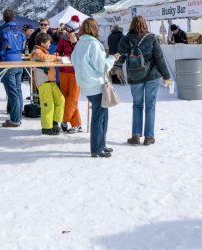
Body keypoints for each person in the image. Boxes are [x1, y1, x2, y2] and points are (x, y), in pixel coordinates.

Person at [115, 15, 171, 146]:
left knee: (137, 105)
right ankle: (149, 137)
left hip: (135, 77)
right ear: (145, 24)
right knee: (150, 105)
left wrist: (115, 68)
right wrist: (166, 76)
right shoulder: (152, 38)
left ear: (131, 25)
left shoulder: (125, 39)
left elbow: (120, 58)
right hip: (152, 76)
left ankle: (135, 135)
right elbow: (159, 58)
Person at [71, 18, 118, 158]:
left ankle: (101, 144)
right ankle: (97, 148)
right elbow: (101, 66)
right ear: (94, 28)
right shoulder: (93, 44)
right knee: (99, 117)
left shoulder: (79, 44)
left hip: (87, 84)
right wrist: (112, 59)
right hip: (96, 84)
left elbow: (74, 60)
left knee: (103, 115)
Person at [0, 8, 27, 128]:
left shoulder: (3, 32)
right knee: (18, 91)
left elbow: (0, 50)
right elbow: (23, 47)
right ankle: (17, 117)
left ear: (3, 18)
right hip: (19, 62)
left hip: (7, 63)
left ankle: (15, 119)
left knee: (12, 93)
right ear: (14, 18)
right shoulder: (20, 32)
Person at [29, 33, 65, 135]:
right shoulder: (37, 51)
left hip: (51, 80)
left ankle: (54, 122)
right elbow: (44, 58)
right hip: (43, 81)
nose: (50, 44)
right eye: (48, 42)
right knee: (48, 104)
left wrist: (55, 57)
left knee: (60, 100)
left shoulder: (45, 52)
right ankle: (46, 127)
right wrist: (56, 57)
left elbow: (48, 57)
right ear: (42, 43)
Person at [56, 19, 82, 132]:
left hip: (76, 72)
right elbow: (58, 51)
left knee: (73, 98)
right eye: (66, 29)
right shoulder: (63, 39)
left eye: (69, 30)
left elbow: (82, 54)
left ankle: (65, 120)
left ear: (75, 31)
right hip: (63, 70)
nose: (67, 32)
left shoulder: (81, 39)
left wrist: (74, 43)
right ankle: (77, 124)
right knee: (65, 97)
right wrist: (57, 55)